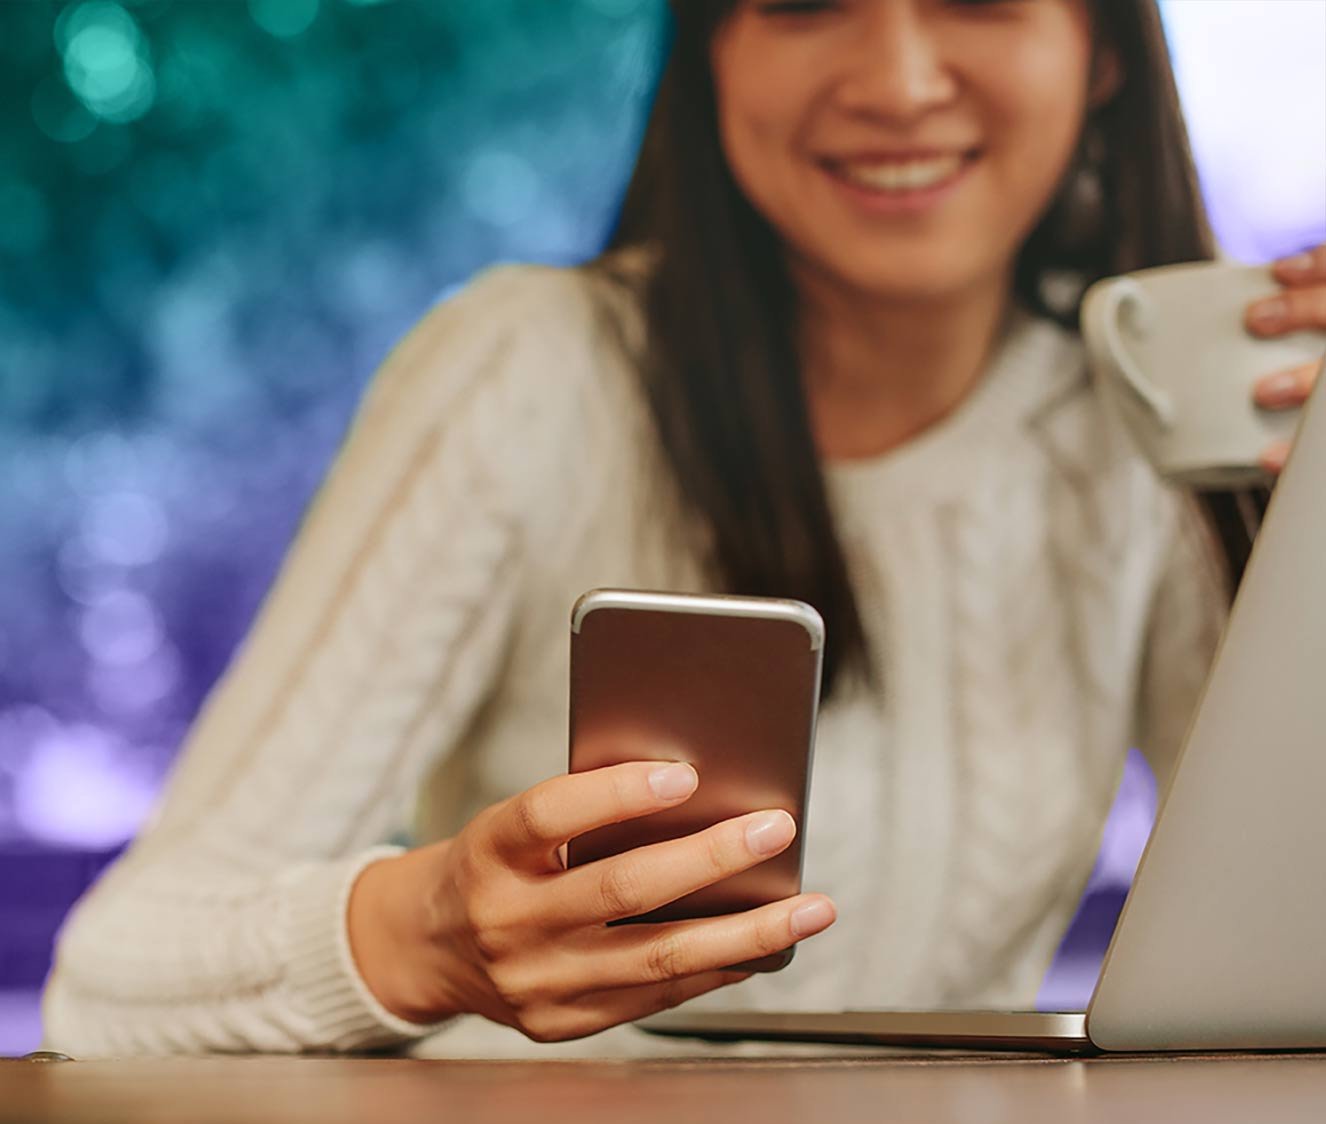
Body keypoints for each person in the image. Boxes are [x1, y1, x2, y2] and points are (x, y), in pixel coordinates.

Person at [42, 0, 1325, 1060]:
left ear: (1102, 51)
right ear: (710, 50)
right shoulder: (531, 375)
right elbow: (108, 988)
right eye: (808, 4)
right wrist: (423, 933)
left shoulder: (1143, 428)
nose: (897, 77)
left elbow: (1288, 943)